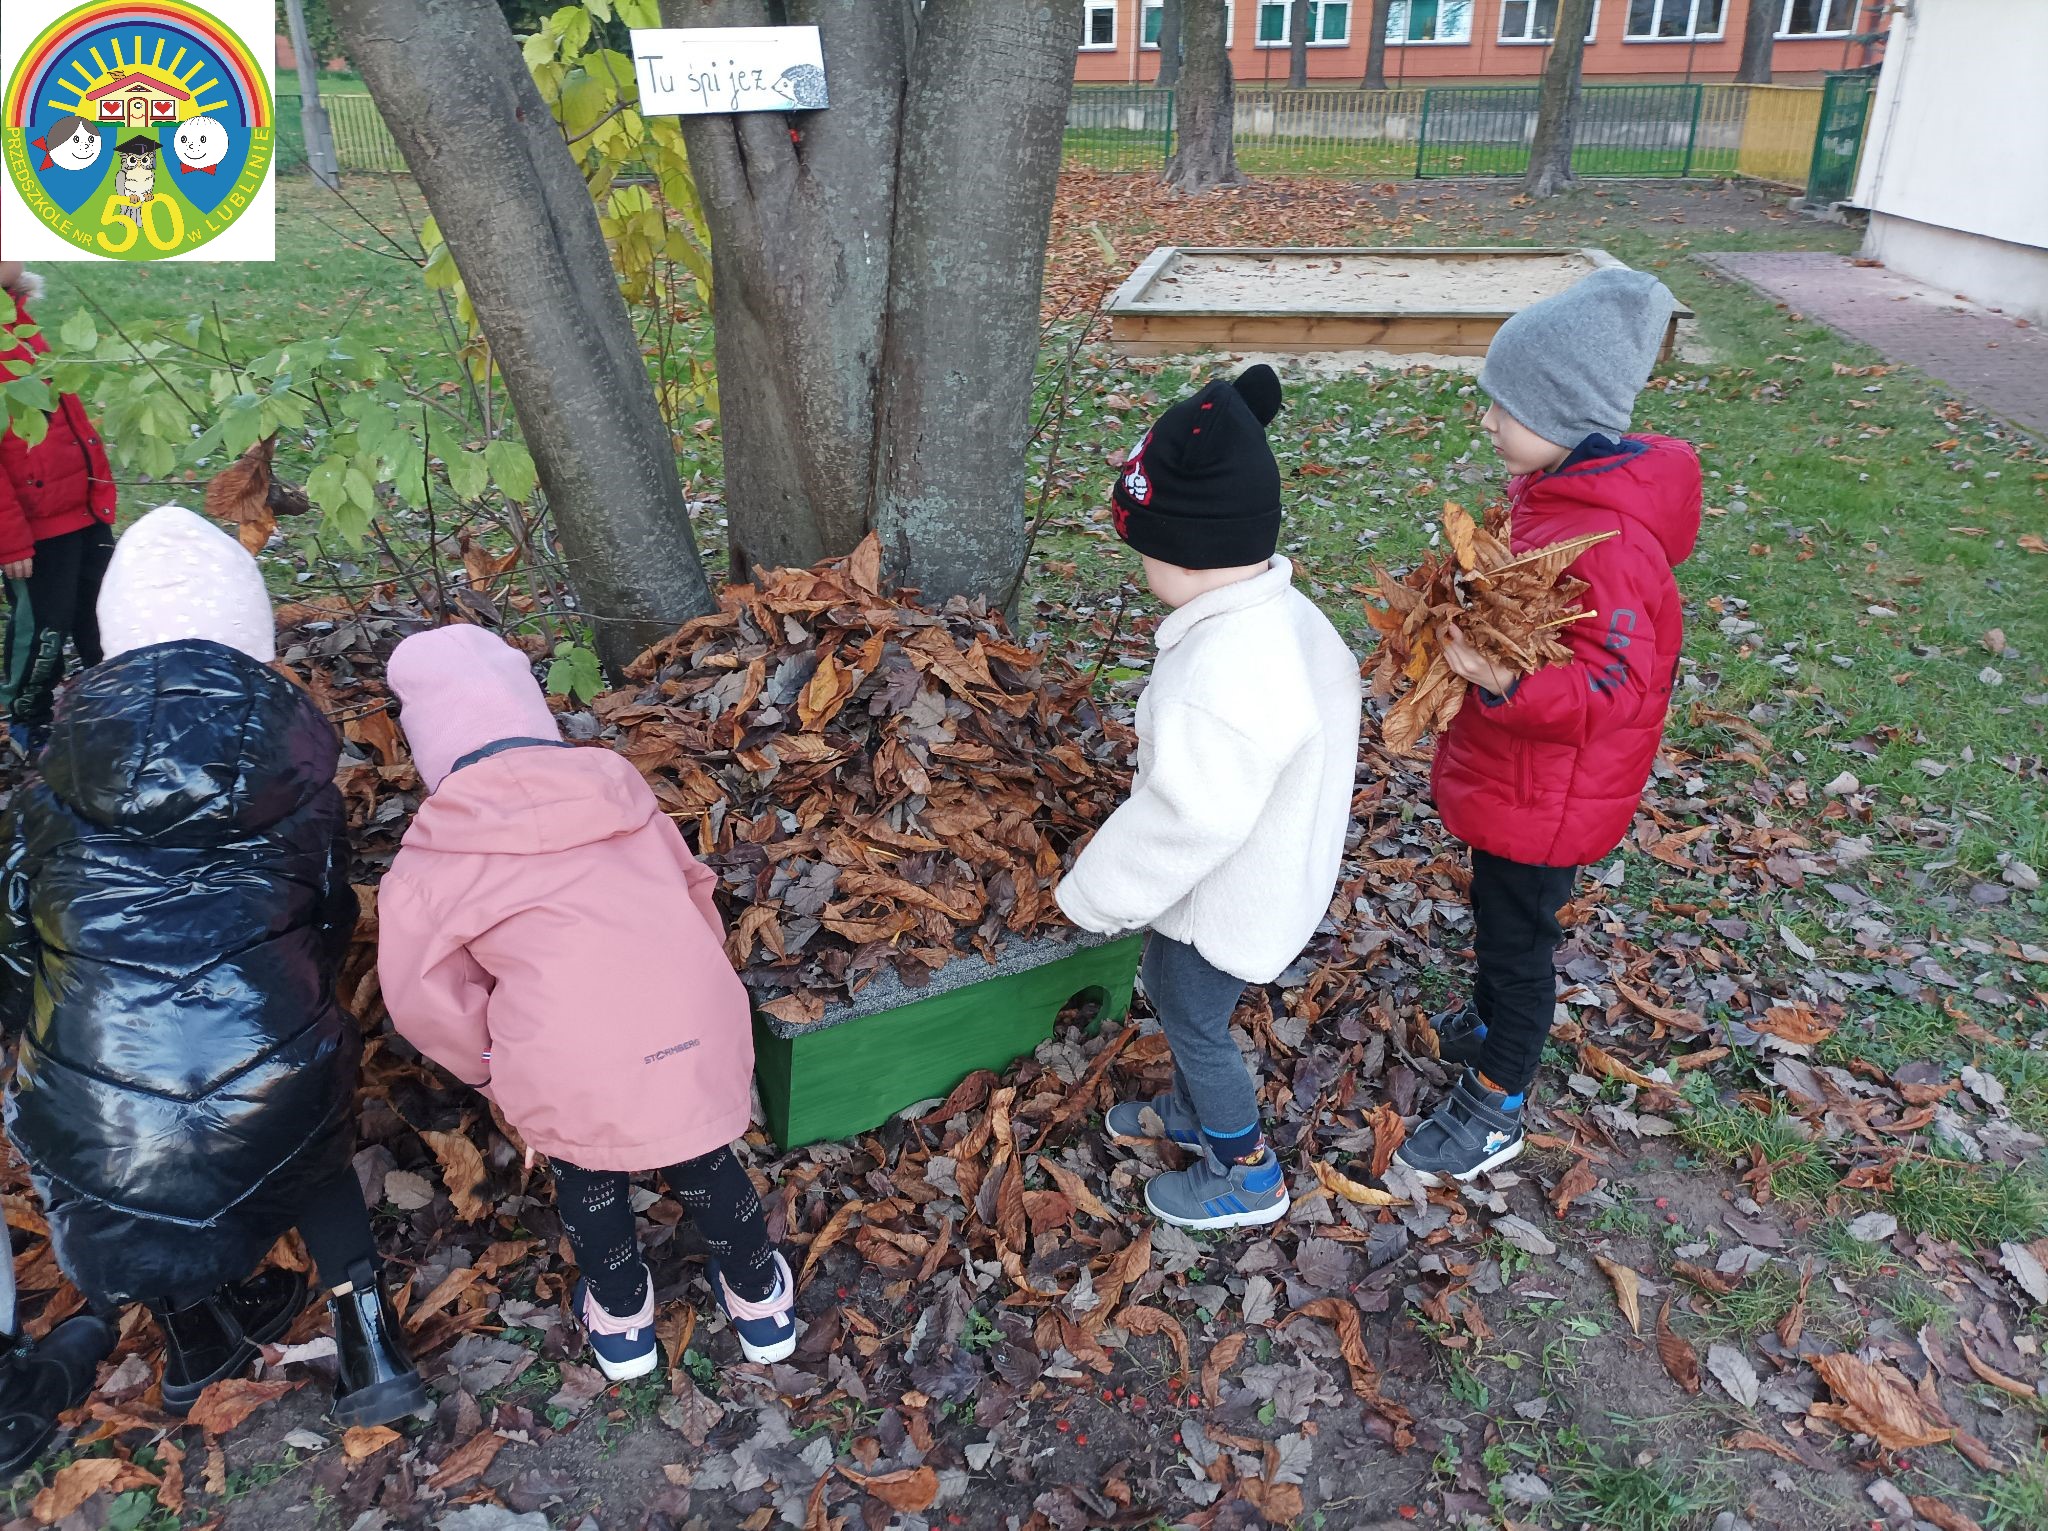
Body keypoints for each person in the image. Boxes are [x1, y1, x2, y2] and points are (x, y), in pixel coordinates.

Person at [0, 506, 426, 1427]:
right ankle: (371, 1345)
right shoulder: (302, 776)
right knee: (308, 1124)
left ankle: (199, 1342)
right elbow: (329, 916)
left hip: (98, 1107)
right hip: (271, 1071)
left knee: (101, 1123)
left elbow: (13, 952)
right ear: (251, 643)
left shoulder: (44, 793)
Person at [377, 623, 796, 1376]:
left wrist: (493, 1064)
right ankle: (760, 1298)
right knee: (706, 1156)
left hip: (568, 1056)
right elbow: (695, 893)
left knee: (587, 1172)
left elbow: (421, 998)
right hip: (692, 1023)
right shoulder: (619, 795)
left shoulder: (430, 860)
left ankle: (623, 1313)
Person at [1396, 267, 1702, 1186]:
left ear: (1569, 416)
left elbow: (1605, 688)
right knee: (1499, 924)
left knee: (1519, 943)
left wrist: (1499, 681)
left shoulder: (1607, 541)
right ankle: (1492, 1019)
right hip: (1522, 785)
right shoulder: (1559, 495)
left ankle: (1499, 1096)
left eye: (1507, 407)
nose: (1488, 421)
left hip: (1552, 799)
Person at [1056, 365, 1363, 1231]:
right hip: (1274, 860)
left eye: (1144, 547)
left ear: (1185, 551)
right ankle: (1196, 1116)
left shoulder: (1221, 675)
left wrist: (1097, 893)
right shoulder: (1284, 618)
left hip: (1232, 893)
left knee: (1191, 1015)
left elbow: (1190, 814)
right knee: (1178, 993)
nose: (1141, 561)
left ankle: (1245, 1168)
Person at [0, 262, 118, 756]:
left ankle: (115, 700)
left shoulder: (18, 323)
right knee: (42, 630)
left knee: (103, 612)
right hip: (33, 529)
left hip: (81, 509)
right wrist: (9, 539)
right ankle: (29, 718)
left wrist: (96, 490)